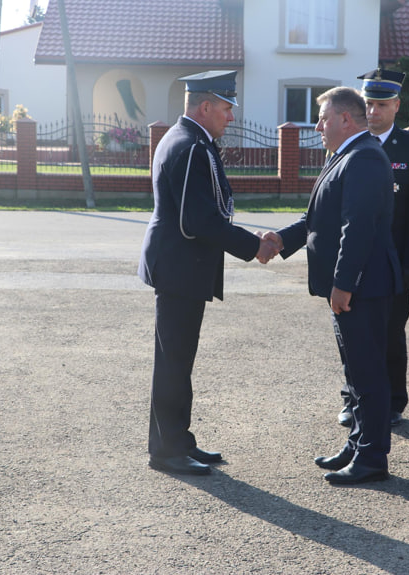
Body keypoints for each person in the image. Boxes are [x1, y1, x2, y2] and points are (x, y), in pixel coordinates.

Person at [138, 70, 279, 475]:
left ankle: (178, 441)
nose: (231, 117)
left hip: (182, 265)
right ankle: (166, 451)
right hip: (179, 267)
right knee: (173, 363)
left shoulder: (191, 140)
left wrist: (249, 240)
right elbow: (198, 219)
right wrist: (254, 246)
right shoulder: (191, 146)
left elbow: (206, 212)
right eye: (226, 108)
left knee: (179, 361)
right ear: (205, 107)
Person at [264, 87, 402, 485]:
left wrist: (343, 285)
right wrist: (281, 239)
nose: (318, 126)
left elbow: (356, 228)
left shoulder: (364, 158)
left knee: (368, 373)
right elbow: (319, 220)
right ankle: (358, 443)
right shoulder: (345, 156)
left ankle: (373, 457)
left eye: (324, 117)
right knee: (355, 371)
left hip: (364, 287)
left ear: (345, 119)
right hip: (355, 287)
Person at [334, 68, 409, 429]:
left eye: (380, 104)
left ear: (396, 105)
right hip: (354, 261)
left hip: (392, 265)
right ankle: (352, 398)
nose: (373, 111)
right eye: (368, 104)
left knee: (391, 333)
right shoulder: (349, 142)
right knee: (351, 335)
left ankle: (393, 401)